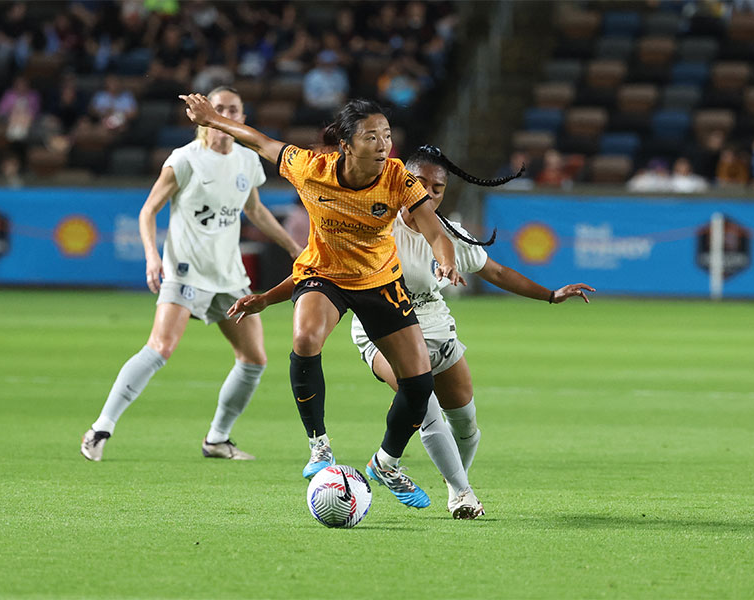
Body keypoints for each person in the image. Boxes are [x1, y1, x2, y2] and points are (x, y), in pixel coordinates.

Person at [229, 147, 593, 519]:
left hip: (436, 328)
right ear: (403, 183)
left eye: (438, 188)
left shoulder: (448, 235)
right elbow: (319, 270)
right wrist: (267, 298)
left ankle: (416, 472)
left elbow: (496, 273)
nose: (429, 193)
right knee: (423, 402)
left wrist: (550, 295)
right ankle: (461, 495)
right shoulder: (375, 225)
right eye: (420, 184)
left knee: (465, 424)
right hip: (381, 330)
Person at [179, 93, 461, 509]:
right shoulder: (311, 169)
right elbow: (259, 141)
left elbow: (435, 231)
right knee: (306, 339)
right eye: (371, 136)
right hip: (323, 275)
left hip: (378, 281)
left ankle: (385, 463)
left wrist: (446, 261)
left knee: (419, 385)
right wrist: (212, 119)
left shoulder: (399, 177)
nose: (383, 144)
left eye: (386, 135)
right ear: (347, 145)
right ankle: (320, 446)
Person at [81, 86, 303, 462]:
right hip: (185, 271)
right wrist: (153, 257)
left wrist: (294, 249)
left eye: (234, 110)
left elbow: (255, 211)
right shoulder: (184, 160)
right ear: (201, 114)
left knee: (254, 360)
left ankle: (217, 439)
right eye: (219, 108)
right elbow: (148, 210)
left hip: (229, 276)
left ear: (243, 119)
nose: (227, 115)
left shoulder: (248, 162)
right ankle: (101, 428)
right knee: (160, 348)